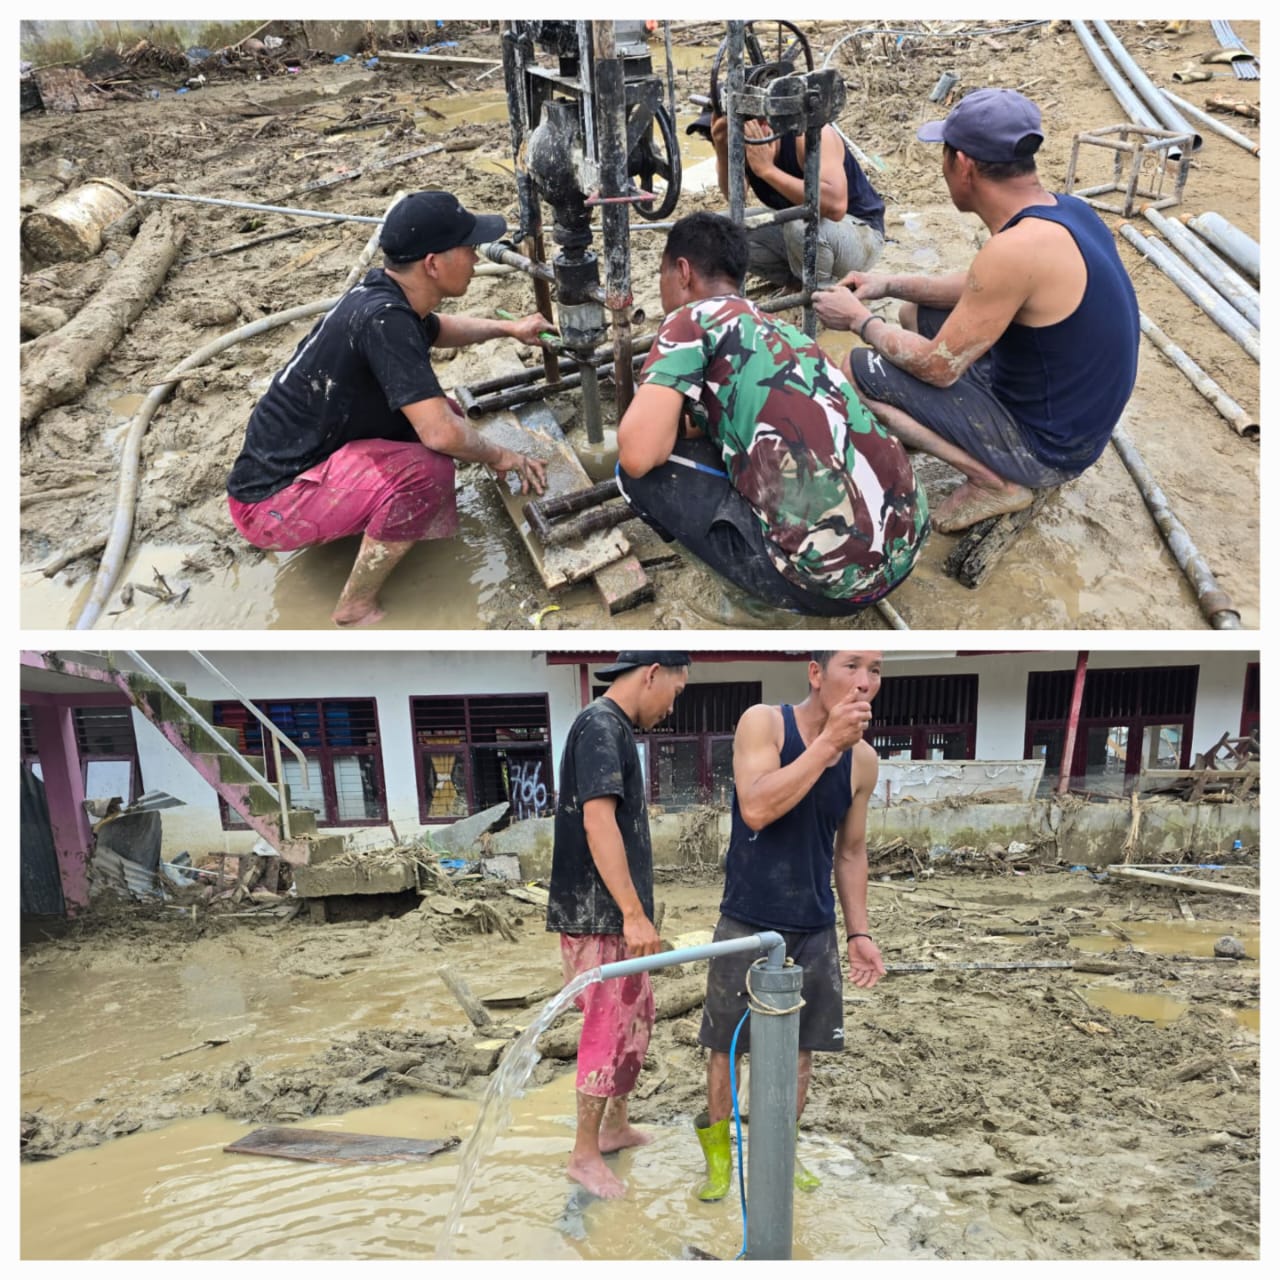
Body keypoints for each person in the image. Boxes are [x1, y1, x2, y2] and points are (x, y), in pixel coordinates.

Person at [814, 88, 1140, 533]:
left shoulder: (1014, 250)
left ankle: (994, 482)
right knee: (915, 313)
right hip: (1073, 421)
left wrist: (858, 319)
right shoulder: (1066, 211)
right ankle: (929, 430)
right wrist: (887, 284)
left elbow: (937, 368)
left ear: (963, 164)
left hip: (1049, 450)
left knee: (857, 370)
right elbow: (978, 287)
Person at [226, 189, 552, 626]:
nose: (477, 258)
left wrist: (509, 329)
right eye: (468, 248)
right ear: (432, 264)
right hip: (270, 506)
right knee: (428, 470)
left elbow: (437, 329)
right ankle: (355, 606)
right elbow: (440, 435)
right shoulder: (386, 321)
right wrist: (501, 455)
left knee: (447, 414)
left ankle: (363, 519)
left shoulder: (385, 296)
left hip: (291, 464)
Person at [615, 212, 927, 617]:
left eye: (662, 275)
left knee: (637, 477)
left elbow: (637, 455)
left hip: (828, 589)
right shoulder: (780, 329)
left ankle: (751, 603)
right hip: (907, 548)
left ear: (683, 272)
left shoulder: (688, 321)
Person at [694, 650, 886, 1202]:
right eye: (852, 666)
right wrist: (827, 745)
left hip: (814, 926)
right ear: (816, 674)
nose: (865, 682)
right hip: (747, 919)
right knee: (727, 1046)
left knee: (801, 1052)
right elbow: (756, 808)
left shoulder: (864, 761)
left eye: (876, 670)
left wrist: (859, 933)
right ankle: (720, 1158)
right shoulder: (764, 723)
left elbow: (850, 852)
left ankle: (780, 1149)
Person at [546, 651, 691, 1199]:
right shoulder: (600, 726)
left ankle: (614, 1127)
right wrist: (632, 914)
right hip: (598, 913)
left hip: (610, 912)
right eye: (676, 691)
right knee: (607, 1028)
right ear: (652, 674)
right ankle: (583, 1155)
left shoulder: (612, 729)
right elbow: (598, 820)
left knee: (636, 1018)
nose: (672, 706)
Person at [695, 107, 885, 287]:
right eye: (714, 137)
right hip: (801, 232)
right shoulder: (739, 150)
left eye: (733, 134)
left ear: (762, 124)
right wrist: (723, 151)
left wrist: (767, 170)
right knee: (714, 231)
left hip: (859, 235)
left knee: (801, 223)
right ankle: (797, 282)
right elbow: (735, 196)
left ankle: (823, 293)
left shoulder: (807, 134)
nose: (730, 142)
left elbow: (835, 207)